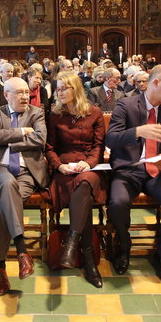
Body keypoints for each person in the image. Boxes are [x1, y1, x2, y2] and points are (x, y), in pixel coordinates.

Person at [106, 64, 161, 285]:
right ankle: (124, 247)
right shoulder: (127, 104)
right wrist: (138, 131)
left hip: (156, 171)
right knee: (117, 202)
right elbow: (111, 139)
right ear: (156, 82)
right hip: (129, 169)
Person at [0, 77, 49, 296]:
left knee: (6, 204)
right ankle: (22, 250)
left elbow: (41, 139)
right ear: (6, 95)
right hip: (2, 169)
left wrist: (10, 141)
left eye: (26, 92)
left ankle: (0, 266)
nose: (25, 97)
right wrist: (24, 132)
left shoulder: (36, 112)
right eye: (19, 93)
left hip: (27, 173)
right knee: (7, 185)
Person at [45, 72, 106, 288]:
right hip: (64, 169)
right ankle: (88, 261)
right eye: (57, 89)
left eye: (63, 88)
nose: (59, 92)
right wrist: (59, 165)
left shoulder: (94, 112)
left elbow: (99, 145)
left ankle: (71, 242)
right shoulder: (54, 115)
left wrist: (89, 163)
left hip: (89, 166)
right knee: (84, 195)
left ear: (75, 89)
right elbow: (49, 147)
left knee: (86, 183)